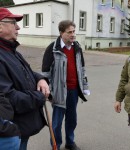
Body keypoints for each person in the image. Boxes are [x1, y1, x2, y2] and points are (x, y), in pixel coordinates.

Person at [0, 7, 50, 150]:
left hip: (23, 127)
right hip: (12, 131)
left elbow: (28, 72)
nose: (18, 27)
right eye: (13, 22)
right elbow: (8, 98)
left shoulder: (11, 50)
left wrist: (41, 79)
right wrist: (40, 97)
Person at [42, 20, 90, 150]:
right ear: (61, 33)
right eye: (70, 32)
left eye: (74, 31)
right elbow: (45, 73)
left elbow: (82, 69)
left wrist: (85, 87)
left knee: (72, 119)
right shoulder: (52, 49)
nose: (73, 34)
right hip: (58, 92)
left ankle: (70, 142)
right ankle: (56, 144)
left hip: (74, 90)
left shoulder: (77, 48)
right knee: (57, 123)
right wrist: (47, 91)